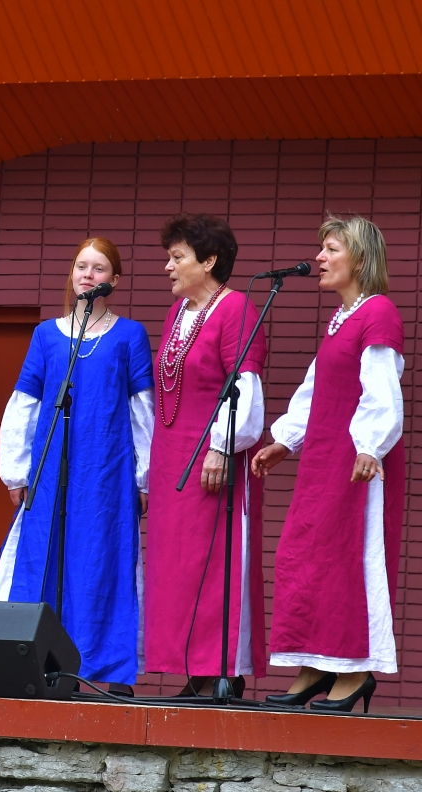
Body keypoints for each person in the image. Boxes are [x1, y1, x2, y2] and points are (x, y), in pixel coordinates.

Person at [252, 216, 404, 713]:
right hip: (324, 459)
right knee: (308, 558)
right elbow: (317, 387)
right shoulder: (343, 317)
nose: (319, 257)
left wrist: (370, 446)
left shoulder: (378, 312)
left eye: (331, 249)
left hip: (356, 459)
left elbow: (382, 389)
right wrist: (285, 439)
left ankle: (355, 669)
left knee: (349, 559)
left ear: (359, 259)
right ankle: (316, 663)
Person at [0, 237, 153, 690]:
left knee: (100, 561)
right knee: (44, 556)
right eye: (82, 266)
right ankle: (42, 662)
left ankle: (104, 668)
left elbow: (142, 411)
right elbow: (24, 403)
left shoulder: (130, 335)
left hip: (105, 473)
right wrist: (16, 470)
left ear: (114, 279)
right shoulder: (47, 334)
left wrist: (144, 478)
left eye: (98, 268)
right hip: (50, 471)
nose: (88, 275)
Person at [145, 213, 267, 696]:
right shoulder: (177, 314)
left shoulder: (236, 308)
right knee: (178, 565)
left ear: (209, 260)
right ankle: (194, 669)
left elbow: (244, 386)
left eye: (177, 257)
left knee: (215, 560)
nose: (167, 267)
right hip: (172, 457)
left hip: (212, 458)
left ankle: (222, 670)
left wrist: (221, 447)